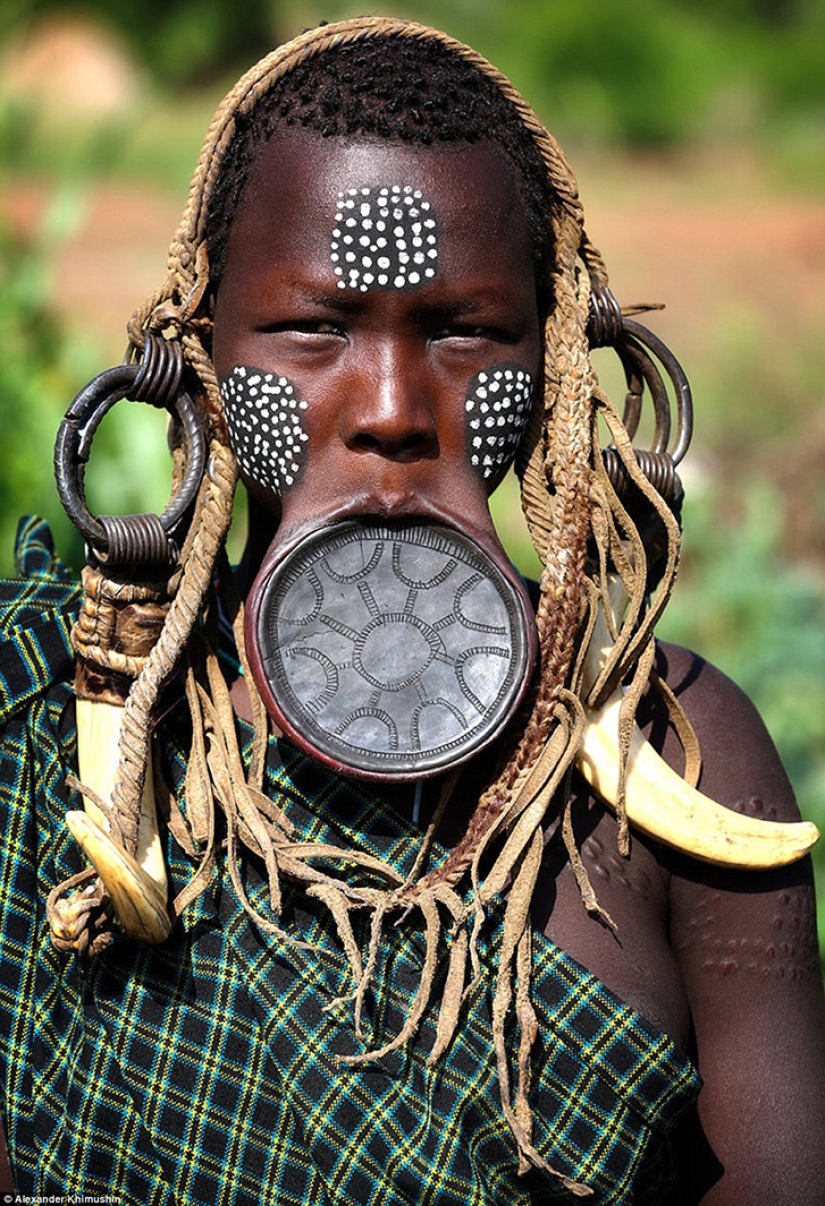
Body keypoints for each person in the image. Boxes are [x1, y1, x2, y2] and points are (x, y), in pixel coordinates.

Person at [1, 17, 824, 1204]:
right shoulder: (56, 716)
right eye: (315, 329)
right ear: (195, 356)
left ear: (557, 365)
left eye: (464, 332)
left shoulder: (677, 760)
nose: (392, 406)